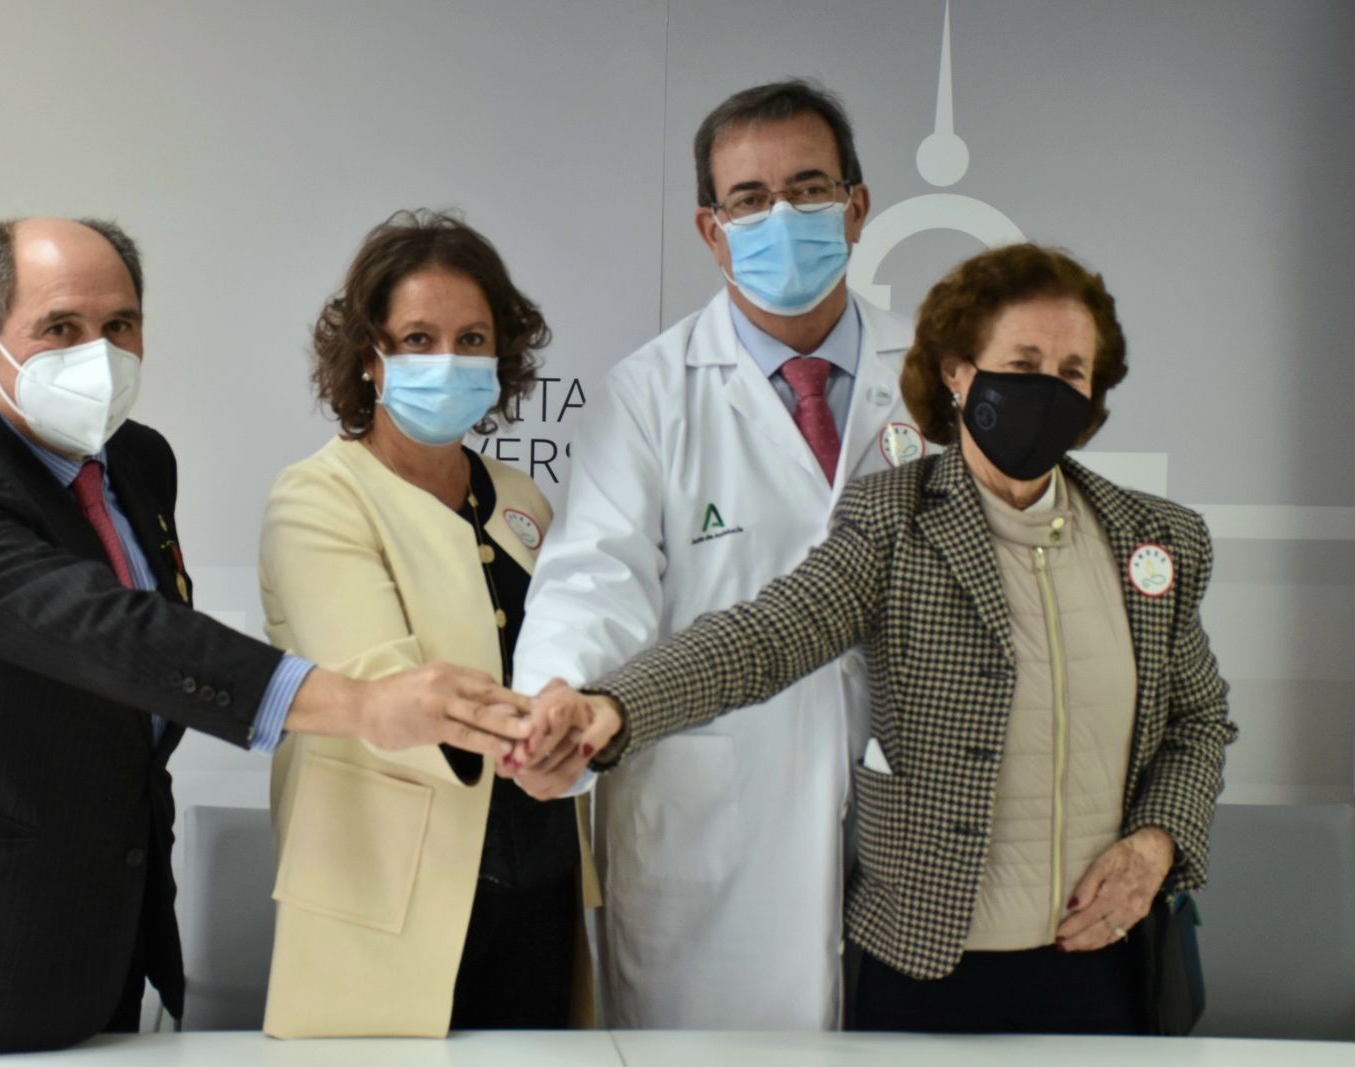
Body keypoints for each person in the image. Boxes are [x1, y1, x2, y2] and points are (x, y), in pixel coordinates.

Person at [0, 217, 534, 1053]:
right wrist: (362, 702)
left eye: (120, 325)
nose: (98, 353)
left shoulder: (137, 460)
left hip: (87, 947)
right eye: (61, 327)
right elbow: (115, 634)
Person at [515, 243, 1238, 1035]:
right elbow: (764, 638)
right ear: (960, 373)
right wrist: (611, 707)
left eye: (1071, 372)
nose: (1047, 388)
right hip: (932, 972)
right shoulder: (895, 520)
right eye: (1023, 361)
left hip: (1105, 966)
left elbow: (1197, 722)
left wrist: (1156, 845)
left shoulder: (1156, 537)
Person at [511, 79, 919, 1030]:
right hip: (716, 809)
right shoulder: (649, 394)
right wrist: (559, 697)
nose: (781, 216)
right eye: (749, 199)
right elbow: (594, 575)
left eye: (810, 189)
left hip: (908, 809)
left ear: (857, 207)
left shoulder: (937, 375)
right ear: (711, 228)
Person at [259, 210, 598, 1038]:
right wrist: (554, 727)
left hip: (539, 878)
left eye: (472, 338)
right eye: (417, 338)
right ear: (370, 358)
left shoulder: (523, 500)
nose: (447, 360)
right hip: (386, 888)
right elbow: (382, 686)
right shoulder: (318, 497)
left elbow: (572, 650)